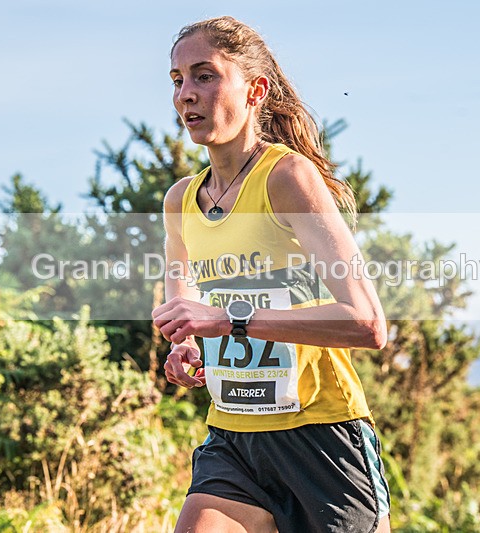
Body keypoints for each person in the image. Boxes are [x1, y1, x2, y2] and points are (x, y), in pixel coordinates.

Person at [152, 16, 390, 533]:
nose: (185, 95)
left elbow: (368, 323)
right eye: (177, 81)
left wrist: (231, 320)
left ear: (255, 90)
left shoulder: (287, 178)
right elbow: (185, 303)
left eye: (204, 76)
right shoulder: (180, 203)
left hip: (322, 436)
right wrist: (185, 345)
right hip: (234, 438)